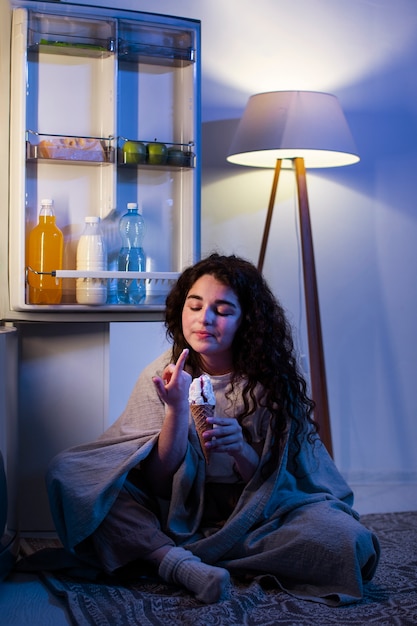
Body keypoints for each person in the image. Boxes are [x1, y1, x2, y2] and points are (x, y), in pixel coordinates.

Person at [47, 253, 380, 605]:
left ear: (245, 321)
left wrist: (241, 450)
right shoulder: (161, 374)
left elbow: (284, 483)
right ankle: (182, 566)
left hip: (256, 517)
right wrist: (176, 409)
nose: (204, 319)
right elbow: (158, 483)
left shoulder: (272, 383)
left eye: (222, 310)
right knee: (72, 475)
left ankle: (161, 553)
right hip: (174, 512)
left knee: (350, 543)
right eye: (195, 306)